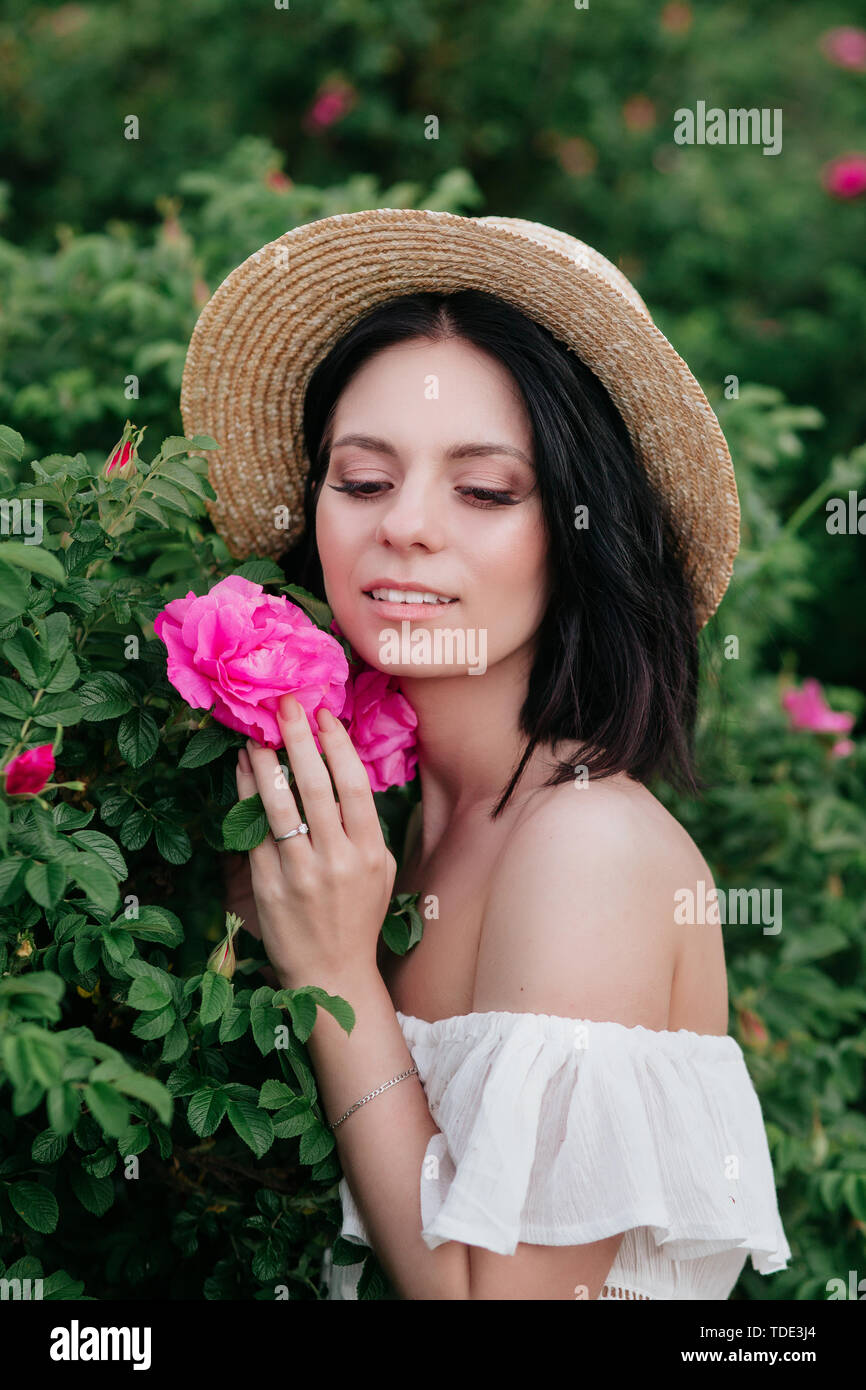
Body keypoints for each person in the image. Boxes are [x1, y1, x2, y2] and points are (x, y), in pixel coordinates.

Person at [182, 209, 792, 1300]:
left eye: (484, 490)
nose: (406, 526)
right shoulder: (394, 819)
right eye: (362, 480)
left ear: (577, 527)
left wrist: (332, 975)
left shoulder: (587, 847)